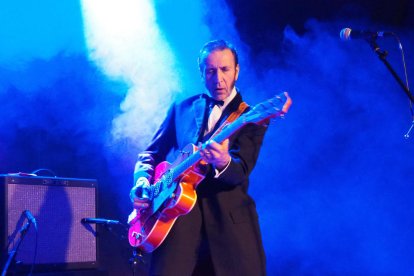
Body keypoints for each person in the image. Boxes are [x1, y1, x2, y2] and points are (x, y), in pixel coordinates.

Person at [130, 39, 268, 276]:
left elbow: (241, 170)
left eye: (225, 69)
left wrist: (224, 161)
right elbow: (150, 154)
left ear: (237, 70)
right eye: (211, 71)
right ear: (202, 73)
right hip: (175, 225)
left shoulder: (251, 117)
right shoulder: (181, 108)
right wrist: (142, 181)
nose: (218, 78)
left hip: (229, 229)